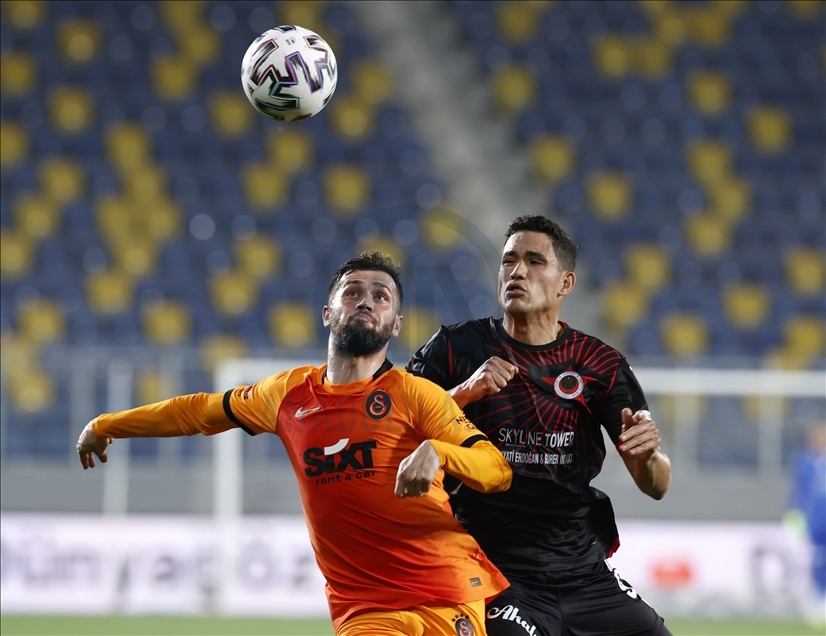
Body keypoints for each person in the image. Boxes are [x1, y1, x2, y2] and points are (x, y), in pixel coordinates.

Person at [77, 251, 512, 636]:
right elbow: (197, 412)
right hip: (365, 608)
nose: (365, 301)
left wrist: (438, 452)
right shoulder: (287, 395)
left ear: (396, 325)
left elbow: (496, 470)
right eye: (352, 292)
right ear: (327, 313)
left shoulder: (417, 395)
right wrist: (107, 424)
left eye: (381, 296)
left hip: (445, 594)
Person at [407, 215, 673, 636]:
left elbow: (656, 485)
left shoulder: (600, 365)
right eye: (508, 261)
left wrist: (649, 455)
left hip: (583, 572)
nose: (517, 271)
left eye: (534, 261)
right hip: (490, 570)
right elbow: (393, 439)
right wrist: (464, 392)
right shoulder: (453, 350)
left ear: (566, 283)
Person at [787, 421, 826, 610]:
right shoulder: (804, 462)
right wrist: (795, 514)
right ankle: (818, 593)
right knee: (818, 557)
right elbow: (798, 491)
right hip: (815, 519)